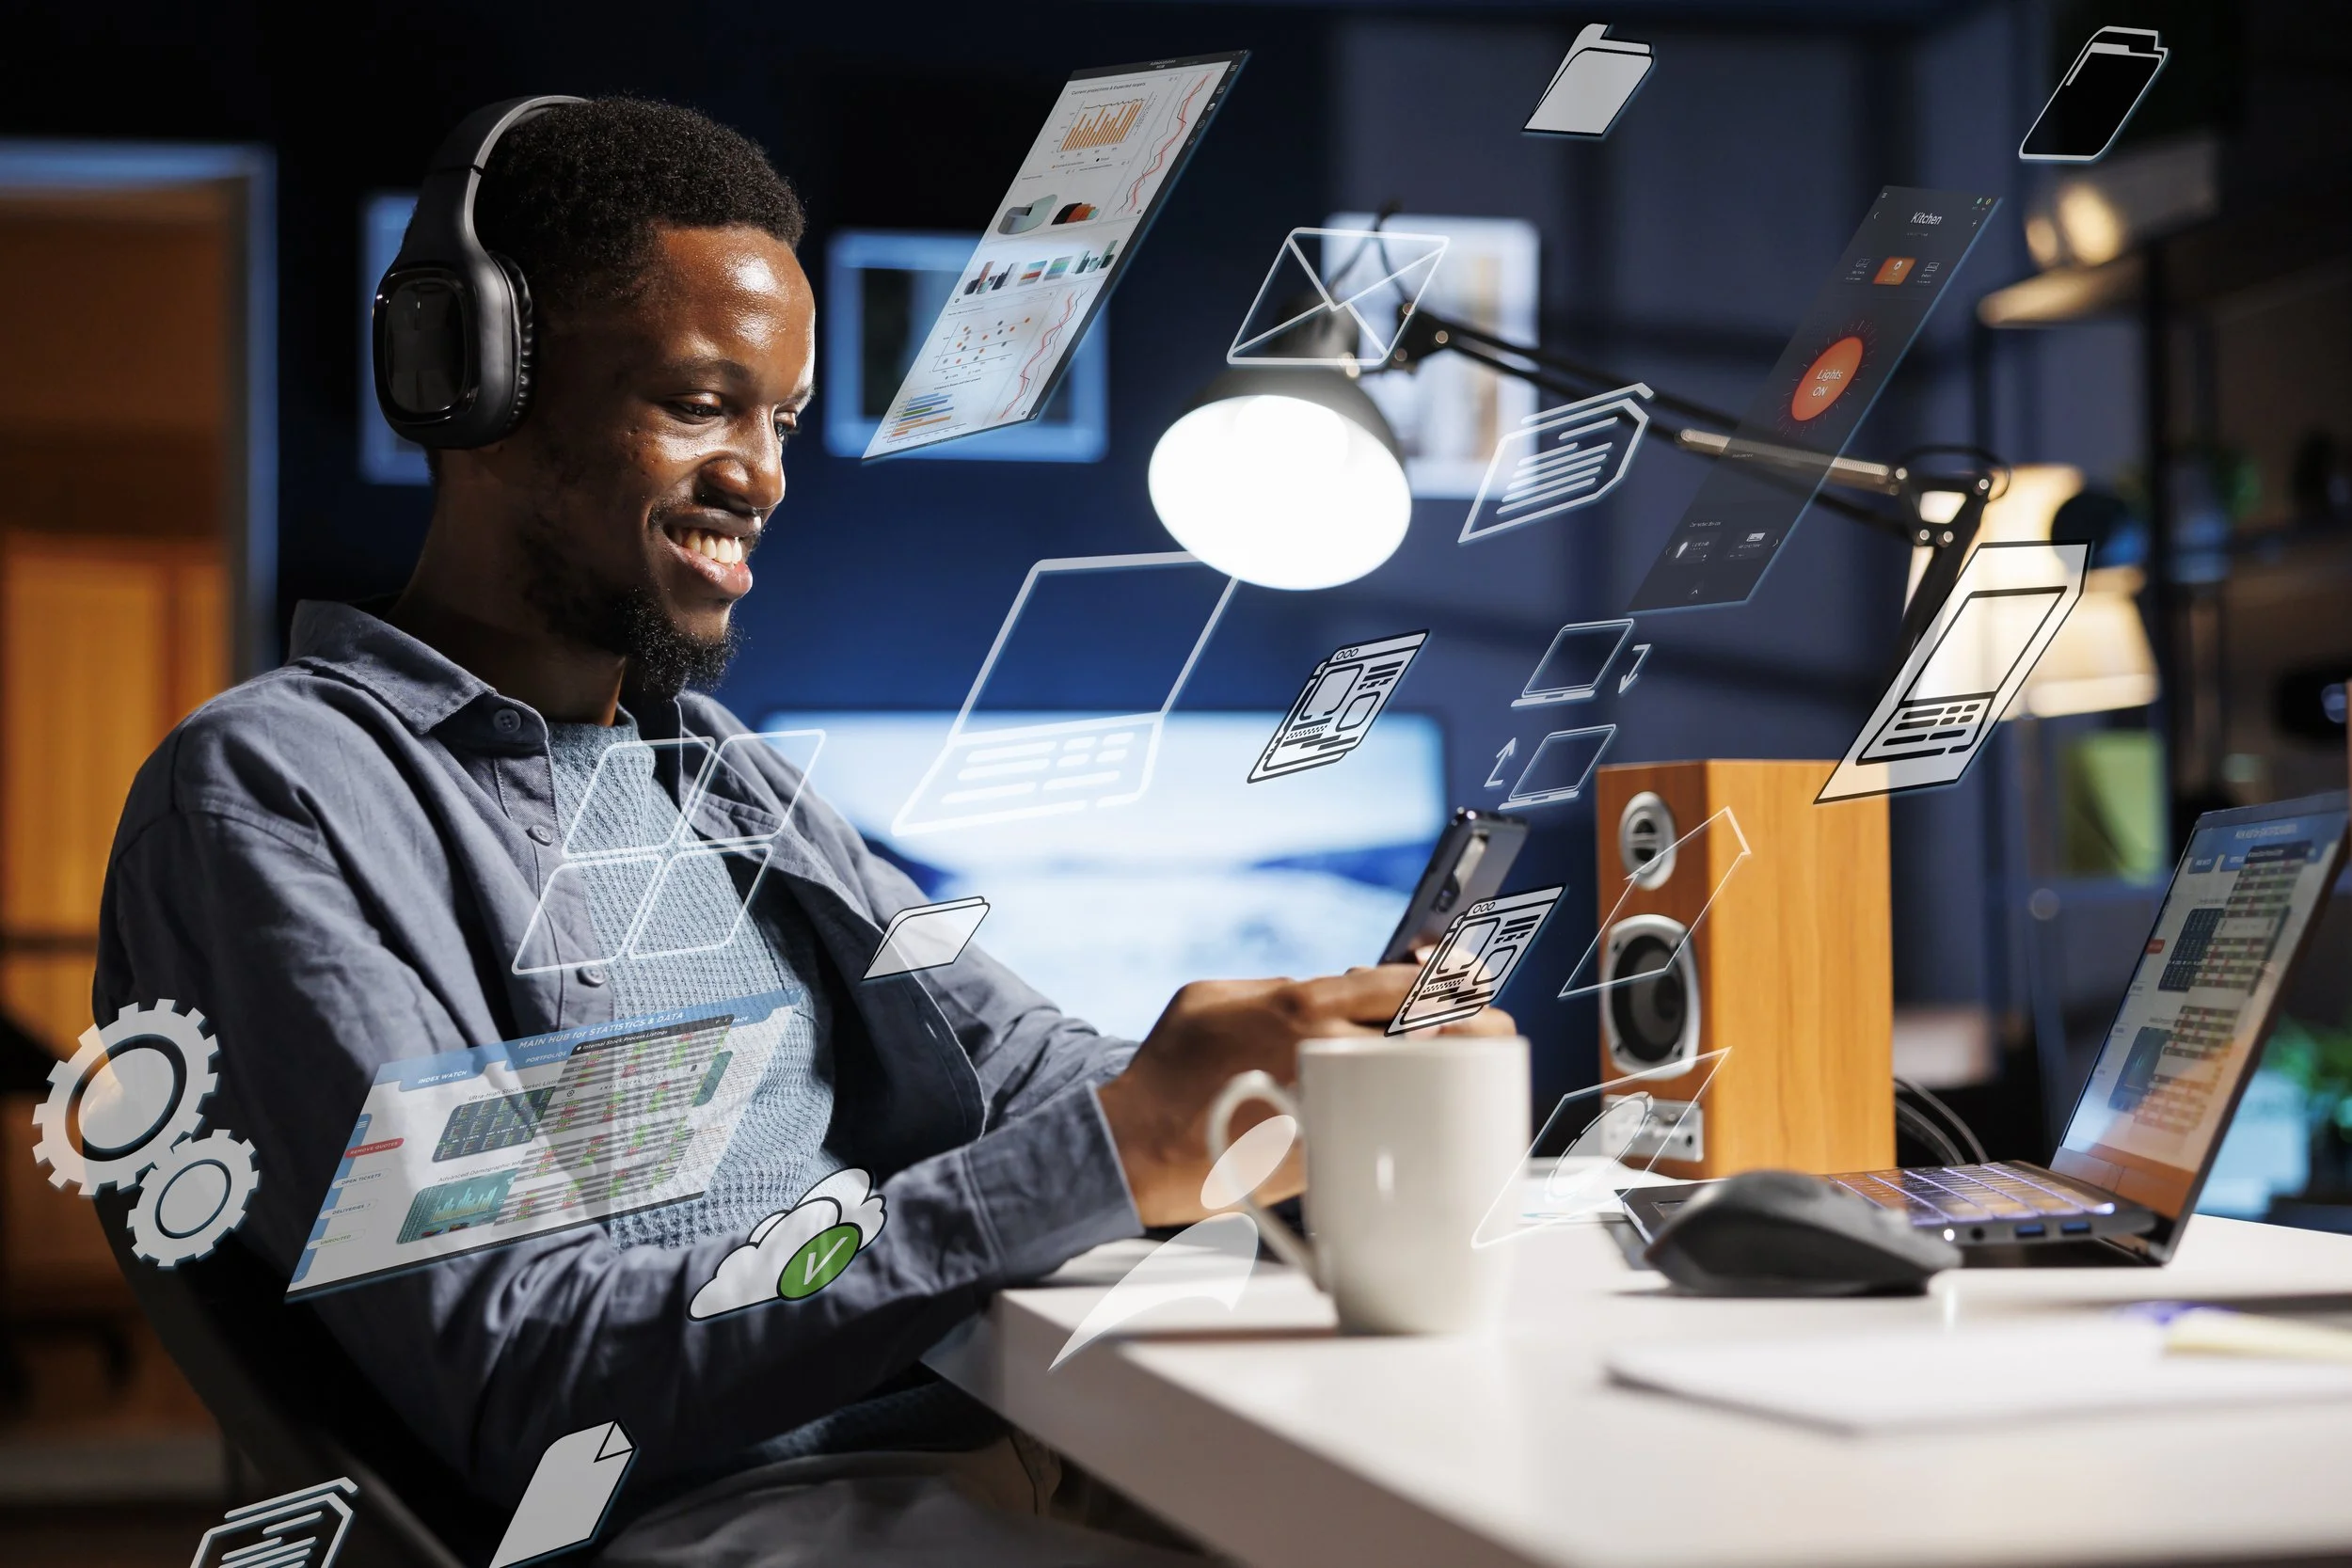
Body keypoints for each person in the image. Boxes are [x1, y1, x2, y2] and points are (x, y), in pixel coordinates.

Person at [97, 98, 1509, 1565]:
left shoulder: (712, 766)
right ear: (476, 385)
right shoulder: (289, 794)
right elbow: (527, 1359)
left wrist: (1281, 1075)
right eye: (701, 403)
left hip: (1008, 1443)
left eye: (775, 418)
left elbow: (1013, 1063)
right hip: (730, 1516)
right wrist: (1116, 1146)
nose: (765, 475)